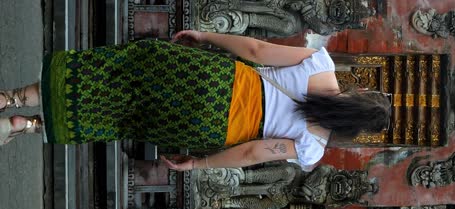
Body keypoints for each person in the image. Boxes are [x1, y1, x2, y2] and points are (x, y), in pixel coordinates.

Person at [0, 30, 391, 171]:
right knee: (125, 118)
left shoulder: (318, 64)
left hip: (212, 79)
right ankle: (31, 126)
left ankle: (14, 98)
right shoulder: (312, 148)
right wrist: (199, 163)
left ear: (359, 92)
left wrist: (206, 37)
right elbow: (252, 153)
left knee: (119, 71)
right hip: (211, 124)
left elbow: (255, 49)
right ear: (352, 130)